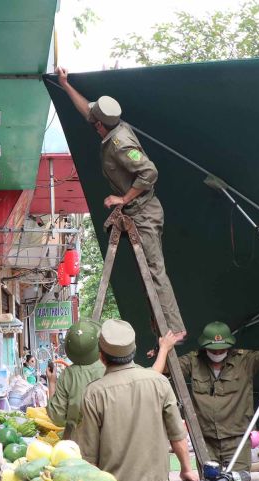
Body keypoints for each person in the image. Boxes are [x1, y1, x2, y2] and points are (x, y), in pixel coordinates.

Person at [55, 67, 186, 341]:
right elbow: (87, 111)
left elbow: (149, 173)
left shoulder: (121, 143)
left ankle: (175, 329)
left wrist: (123, 198)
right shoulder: (111, 125)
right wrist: (66, 85)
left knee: (154, 270)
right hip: (134, 213)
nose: (92, 123)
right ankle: (160, 328)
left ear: (100, 125)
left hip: (145, 212)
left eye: (94, 122)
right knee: (145, 274)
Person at [152, 306, 259, 481]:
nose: (218, 352)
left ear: (230, 346)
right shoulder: (194, 360)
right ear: (204, 346)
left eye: (222, 348)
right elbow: (165, 369)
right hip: (206, 441)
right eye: (214, 349)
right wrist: (164, 349)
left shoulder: (244, 360)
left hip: (237, 440)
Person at [73, 319, 198, 481]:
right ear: (134, 350)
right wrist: (186, 468)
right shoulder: (159, 383)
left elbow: (89, 455)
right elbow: (177, 434)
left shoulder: (94, 393)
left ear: (101, 357)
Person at [45, 319, 106, 439]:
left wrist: (52, 383)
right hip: (105, 441)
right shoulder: (109, 368)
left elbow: (57, 417)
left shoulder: (68, 375)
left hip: (76, 444)